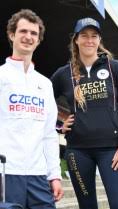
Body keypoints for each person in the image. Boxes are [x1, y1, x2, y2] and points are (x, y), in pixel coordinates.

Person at [51, 17, 118, 209]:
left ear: (99, 40)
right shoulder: (64, 74)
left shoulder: (115, 68)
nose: (89, 40)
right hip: (78, 152)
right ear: (76, 40)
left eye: (94, 36)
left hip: (113, 151)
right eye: (84, 36)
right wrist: (58, 125)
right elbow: (42, 100)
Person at [0, 9, 63, 208]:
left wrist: (55, 175)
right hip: (6, 173)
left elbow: (49, 134)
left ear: (38, 40)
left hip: (38, 176)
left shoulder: (45, 84)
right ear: (12, 35)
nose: (28, 37)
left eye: (34, 33)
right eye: (23, 31)